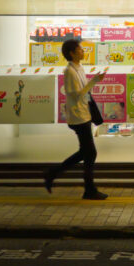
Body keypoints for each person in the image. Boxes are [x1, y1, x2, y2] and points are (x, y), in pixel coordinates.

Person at [44, 39, 108, 200]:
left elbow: (83, 93)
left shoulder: (79, 68)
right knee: (89, 153)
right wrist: (95, 81)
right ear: (72, 53)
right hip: (78, 116)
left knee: (87, 153)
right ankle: (86, 189)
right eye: (80, 49)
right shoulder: (69, 71)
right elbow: (77, 93)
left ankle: (84, 187)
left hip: (84, 113)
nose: (83, 51)